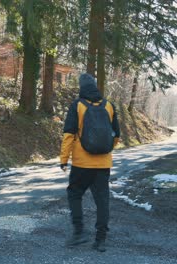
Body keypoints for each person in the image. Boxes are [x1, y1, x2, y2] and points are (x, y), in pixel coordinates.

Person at [60, 73, 120, 252]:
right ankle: (100, 239)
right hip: (103, 164)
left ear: (81, 87)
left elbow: (69, 135)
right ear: (95, 86)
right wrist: (105, 150)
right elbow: (116, 135)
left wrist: (64, 159)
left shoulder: (77, 105)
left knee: (75, 193)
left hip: (81, 163)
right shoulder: (109, 105)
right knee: (102, 200)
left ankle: (79, 232)